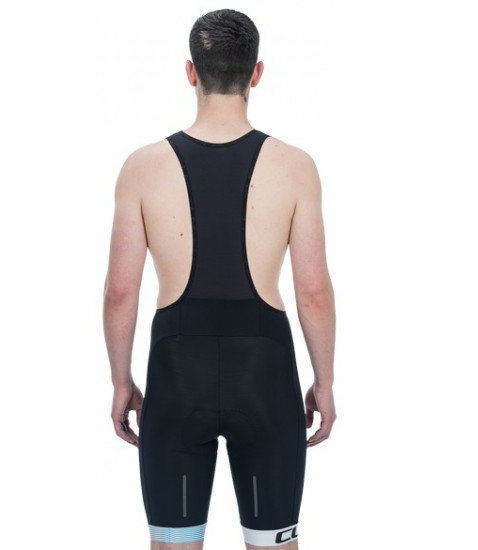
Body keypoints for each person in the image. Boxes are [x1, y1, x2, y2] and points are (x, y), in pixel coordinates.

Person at [102, 8, 336, 550]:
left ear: (191, 72)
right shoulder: (296, 166)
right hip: (266, 374)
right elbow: (314, 293)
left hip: (176, 374)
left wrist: (121, 381)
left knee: (174, 542)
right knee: (274, 543)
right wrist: (324, 382)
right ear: (257, 73)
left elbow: (120, 292)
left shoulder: (141, 167)